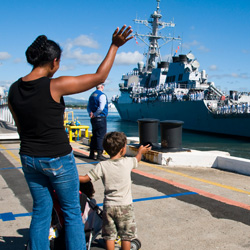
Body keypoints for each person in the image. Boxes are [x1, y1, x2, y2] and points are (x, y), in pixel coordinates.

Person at [8, 25, 133, 250]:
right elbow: (99, 77)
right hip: (57, 158)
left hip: (28, 158)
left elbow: (20, 128)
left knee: (41, 212)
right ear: (54, 62)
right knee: (72, 213)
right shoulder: (55, 85)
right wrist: (114, 46)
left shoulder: (14, 90)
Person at [79, 131, 151, 250]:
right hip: (125, 206)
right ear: (123, 150)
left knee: (109, 236)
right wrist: (140, 152)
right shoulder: (127, 162)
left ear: (106, 149)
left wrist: (70, 176)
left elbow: (86, 178)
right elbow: (137, 159)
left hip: (109, 206)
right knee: (126, 236)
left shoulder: (102, 165)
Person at [87, 83, 108, 161]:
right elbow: (101, 108)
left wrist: (91, 114)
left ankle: (92, 153)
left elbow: (88, 107)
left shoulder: (92, 95)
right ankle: (99, 154)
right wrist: (95, 114)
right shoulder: (102, 95)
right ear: (102, 86)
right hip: (100, 118)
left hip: (93, 119)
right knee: (101, 136)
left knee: (94, 135)